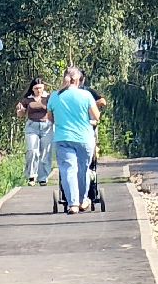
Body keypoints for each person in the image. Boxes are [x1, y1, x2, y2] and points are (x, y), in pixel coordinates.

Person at [47, 66, 99, 213]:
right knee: (83, 170)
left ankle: (73, 204)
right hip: (84, 138)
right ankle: (83, 200)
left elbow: (50, 118)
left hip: (63, 138)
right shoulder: (86, 95)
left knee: (68, 170)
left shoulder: (54, 96)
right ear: (78, 80)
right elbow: (96, 116)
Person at [15, 78, 52, 186]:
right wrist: (20, 111)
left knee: (45, 152)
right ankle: (32, 176)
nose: (38, 90)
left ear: (43, 88)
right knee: (32, 151)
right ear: (32, 89)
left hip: (46, 126)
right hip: (32, 127)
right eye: (36, 88)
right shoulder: (27, 99)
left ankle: (43, 177)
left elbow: (54, 109)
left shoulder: (48, 98)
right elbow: (20, 114)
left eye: (40, 88)